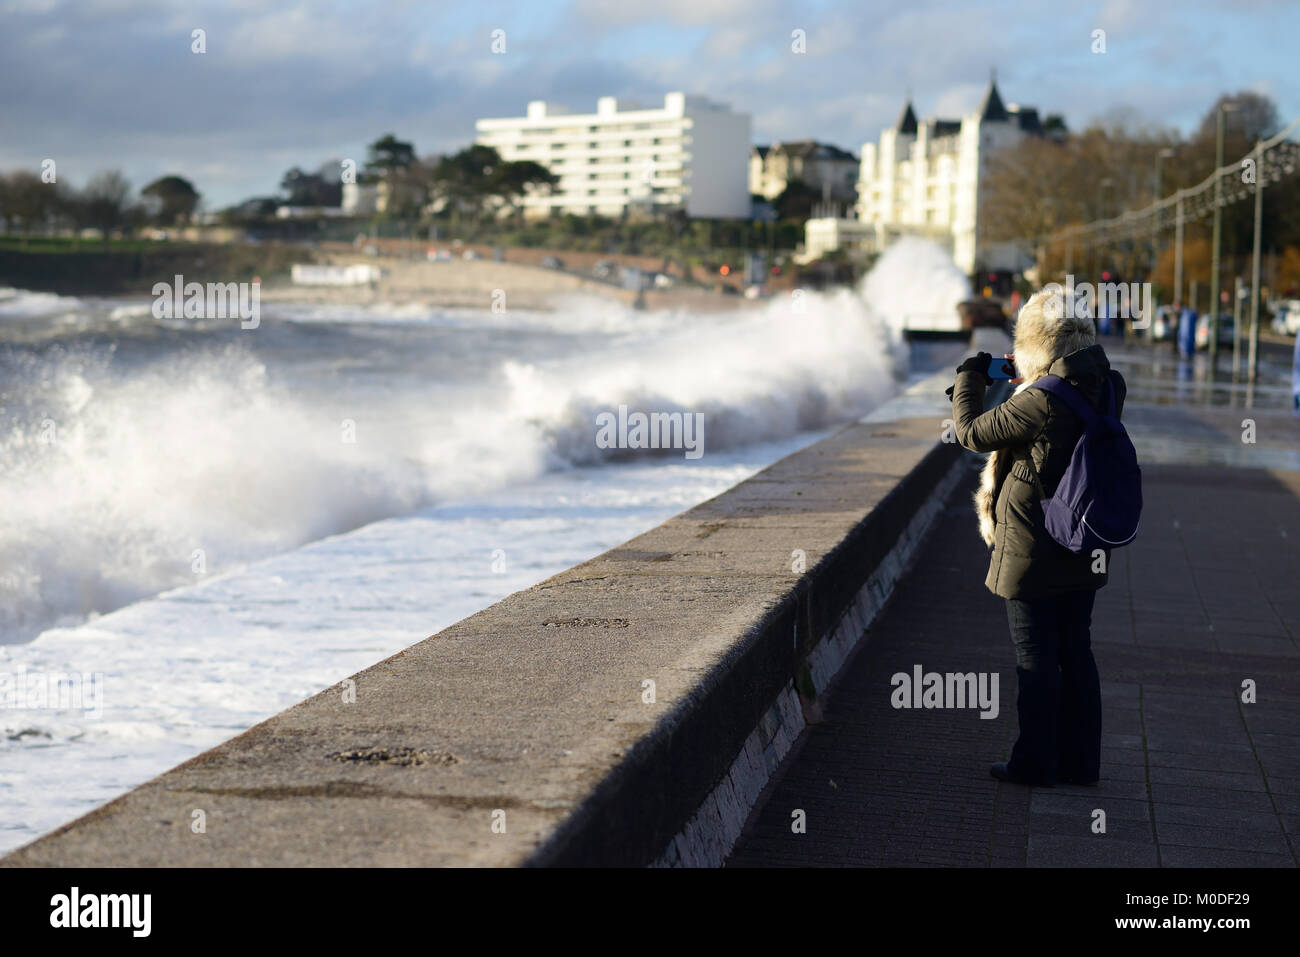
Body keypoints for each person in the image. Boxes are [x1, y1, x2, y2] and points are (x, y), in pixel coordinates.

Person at [948, 288, 1127, 788]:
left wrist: (970, 377)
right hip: (1086, 537)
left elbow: (970, 432)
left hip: (1034, 545)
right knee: (1076, 650)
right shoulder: (1110, 384)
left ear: (1031, 343)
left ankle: (1034, 763)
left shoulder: (1040, 400)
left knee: (1035, 657)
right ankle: (1081, 763)